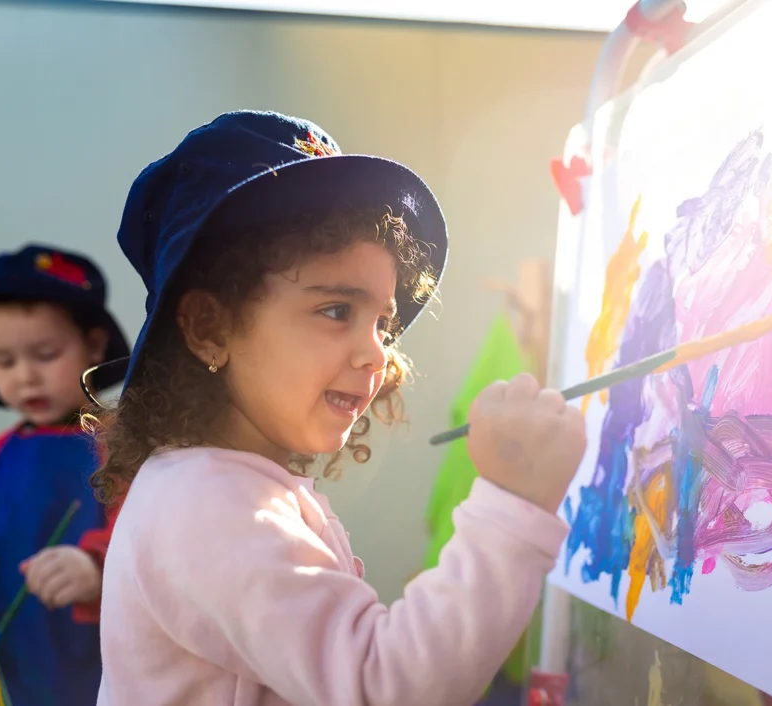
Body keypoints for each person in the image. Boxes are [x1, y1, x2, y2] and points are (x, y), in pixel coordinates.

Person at [89, 110, 587, 705]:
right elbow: (383, 687)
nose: (376, 352)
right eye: (336, 311)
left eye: (383, 322)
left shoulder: (219, 487)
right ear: (208, 328)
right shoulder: (205, 501)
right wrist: (514, 505)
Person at [0, 244, 130, 706]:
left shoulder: (125, 447)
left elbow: (146, 542)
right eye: (5, 361)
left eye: (45, 354)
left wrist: (95, 567)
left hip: (92, 673)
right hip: (4, 672)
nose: (26, 377)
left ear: (94, 346)